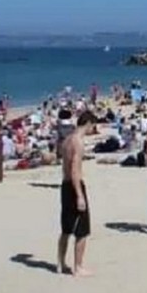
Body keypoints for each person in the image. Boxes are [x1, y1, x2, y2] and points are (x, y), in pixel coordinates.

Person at [58, 111, 96, 277]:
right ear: (87, 123)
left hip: (65, 185)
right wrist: (80, 195)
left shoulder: (66, 140)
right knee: (82, 229)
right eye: (92, 126)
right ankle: (78, 267)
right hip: (74, 186)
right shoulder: (78, 142)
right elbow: (74, 170)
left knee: (66, 228)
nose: (92, 130)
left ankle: (60, 264)